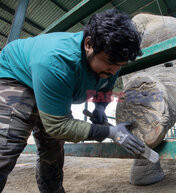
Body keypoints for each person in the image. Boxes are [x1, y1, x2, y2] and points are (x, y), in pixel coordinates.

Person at [0, 9, 145, 193]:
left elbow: (107, 86)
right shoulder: (56, 61)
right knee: (6, 146)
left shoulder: (112, 60)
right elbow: (58, 126)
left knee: (52, 149)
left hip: (50, 82)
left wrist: (100, 109)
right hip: (16, 77)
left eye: (120, 66)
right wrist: (110, 131)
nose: (114, 70)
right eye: (110, 63)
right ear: (89, 44)